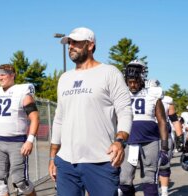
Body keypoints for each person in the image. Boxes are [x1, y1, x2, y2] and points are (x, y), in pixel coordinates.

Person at [48, 27, 133, 196]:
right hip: (66, 163)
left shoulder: (109, 73)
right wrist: (53, 157)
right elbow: (59, 119)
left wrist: (120, 141)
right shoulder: (64, 78)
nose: (70, 46)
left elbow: (125, 111)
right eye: (69, 43)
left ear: (90, 45)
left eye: (76, 43)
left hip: (100, 161)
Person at [0, 64, 39, 196]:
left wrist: (30, 140)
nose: (0, 77)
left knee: (20, 182)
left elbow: (35, 118)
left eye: (3, 74)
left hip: (17, 143)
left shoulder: (22, 92)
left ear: (12, 74)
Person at [118, 62, 169, 196]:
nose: (133, 85)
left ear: (142, 78)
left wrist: (164, 147)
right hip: (128, 141)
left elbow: (162, 121)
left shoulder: (153, 93)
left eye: (136, 81)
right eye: (130, 82)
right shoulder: (121, 93)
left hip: (150, 141)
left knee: (149, 178)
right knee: (124, 179)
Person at [145, 79, 185, 196]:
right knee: (149, 166)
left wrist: (180, 137)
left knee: (164, 164)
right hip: (149, 135)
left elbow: (174, 120)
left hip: (164, 135)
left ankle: (164, 192)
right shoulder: (141, 98)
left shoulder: (167, 101)